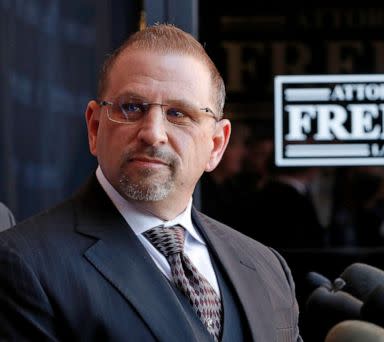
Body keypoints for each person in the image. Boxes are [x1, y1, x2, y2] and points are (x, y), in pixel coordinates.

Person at [0, 24, 301, 341]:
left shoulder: (267, 268)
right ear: (94, 127)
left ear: (216, 146)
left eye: (178, 113)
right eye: (131, 108)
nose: (153, 133)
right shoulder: (24, 265)